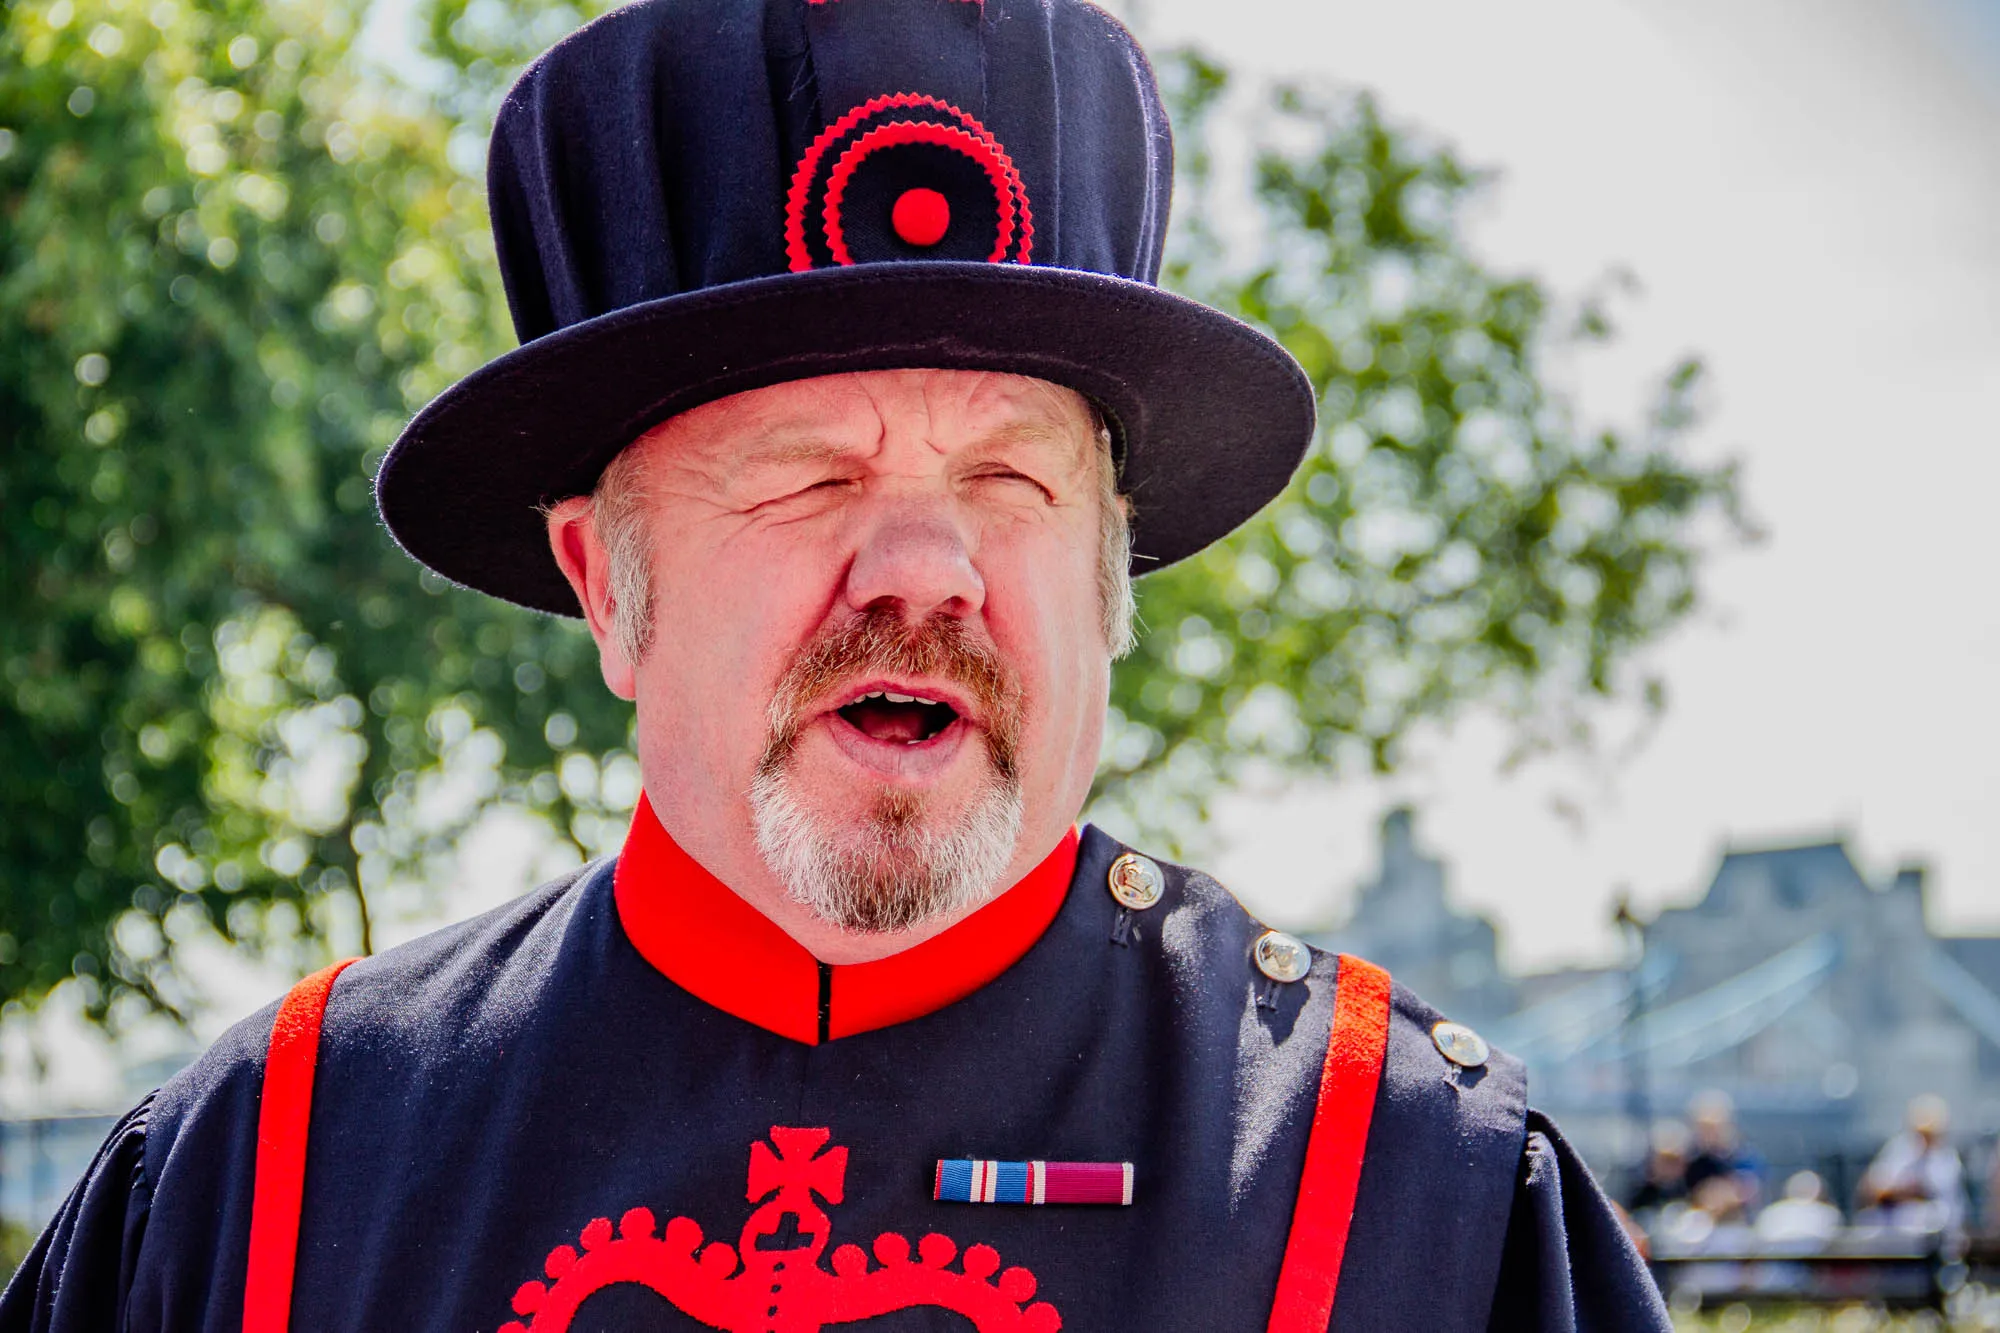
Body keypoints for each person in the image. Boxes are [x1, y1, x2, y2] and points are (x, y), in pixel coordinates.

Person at [0, 0, 1670, 1328]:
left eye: (1011, 480)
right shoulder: (263, 1185)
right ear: (608, 584)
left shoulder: (1412, 1199)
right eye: (807, 475)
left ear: (1107, 576)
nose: (922, 570)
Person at [1858, 1094, 1965, 1236]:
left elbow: (1936, 1196)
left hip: (1934, 1229)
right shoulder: (1899, 1148)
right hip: (1895, 1224)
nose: (1924, 1137)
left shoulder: (1946, 1158)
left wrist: (1911, 1191)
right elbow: (1874, 1188)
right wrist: (1900, 1191)